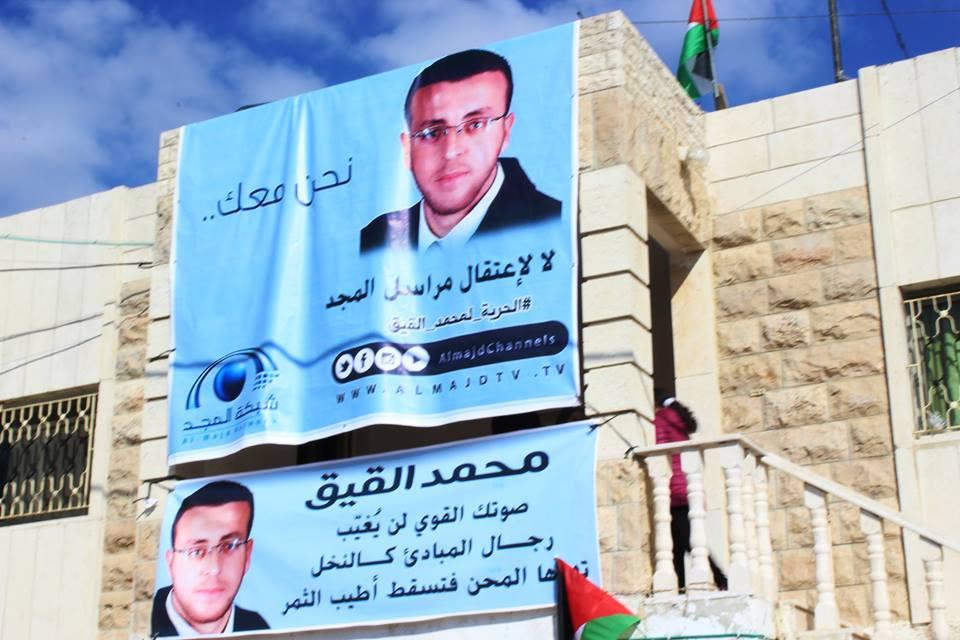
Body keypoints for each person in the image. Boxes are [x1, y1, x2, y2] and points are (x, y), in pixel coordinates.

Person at [360, 48, 561, 253]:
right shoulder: (374, 239)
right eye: (432, 132)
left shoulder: (553, 222)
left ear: (505, 131)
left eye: (475, 125)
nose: (451, 151)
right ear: (407, 148)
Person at [151, 480, 269, 637]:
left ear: (247, 555)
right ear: (170, 562)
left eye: (229, 546)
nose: (214, 569)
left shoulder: (260, 630)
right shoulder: (144, 621)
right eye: (196, 551)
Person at [653, 389, 727, 591]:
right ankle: (679, 587)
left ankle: (721, 579)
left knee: (686, 542)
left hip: (673, 489)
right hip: (686, 487)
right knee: (676, 544)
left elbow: (659, 450)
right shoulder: (677, 420)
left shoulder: (661, 421)